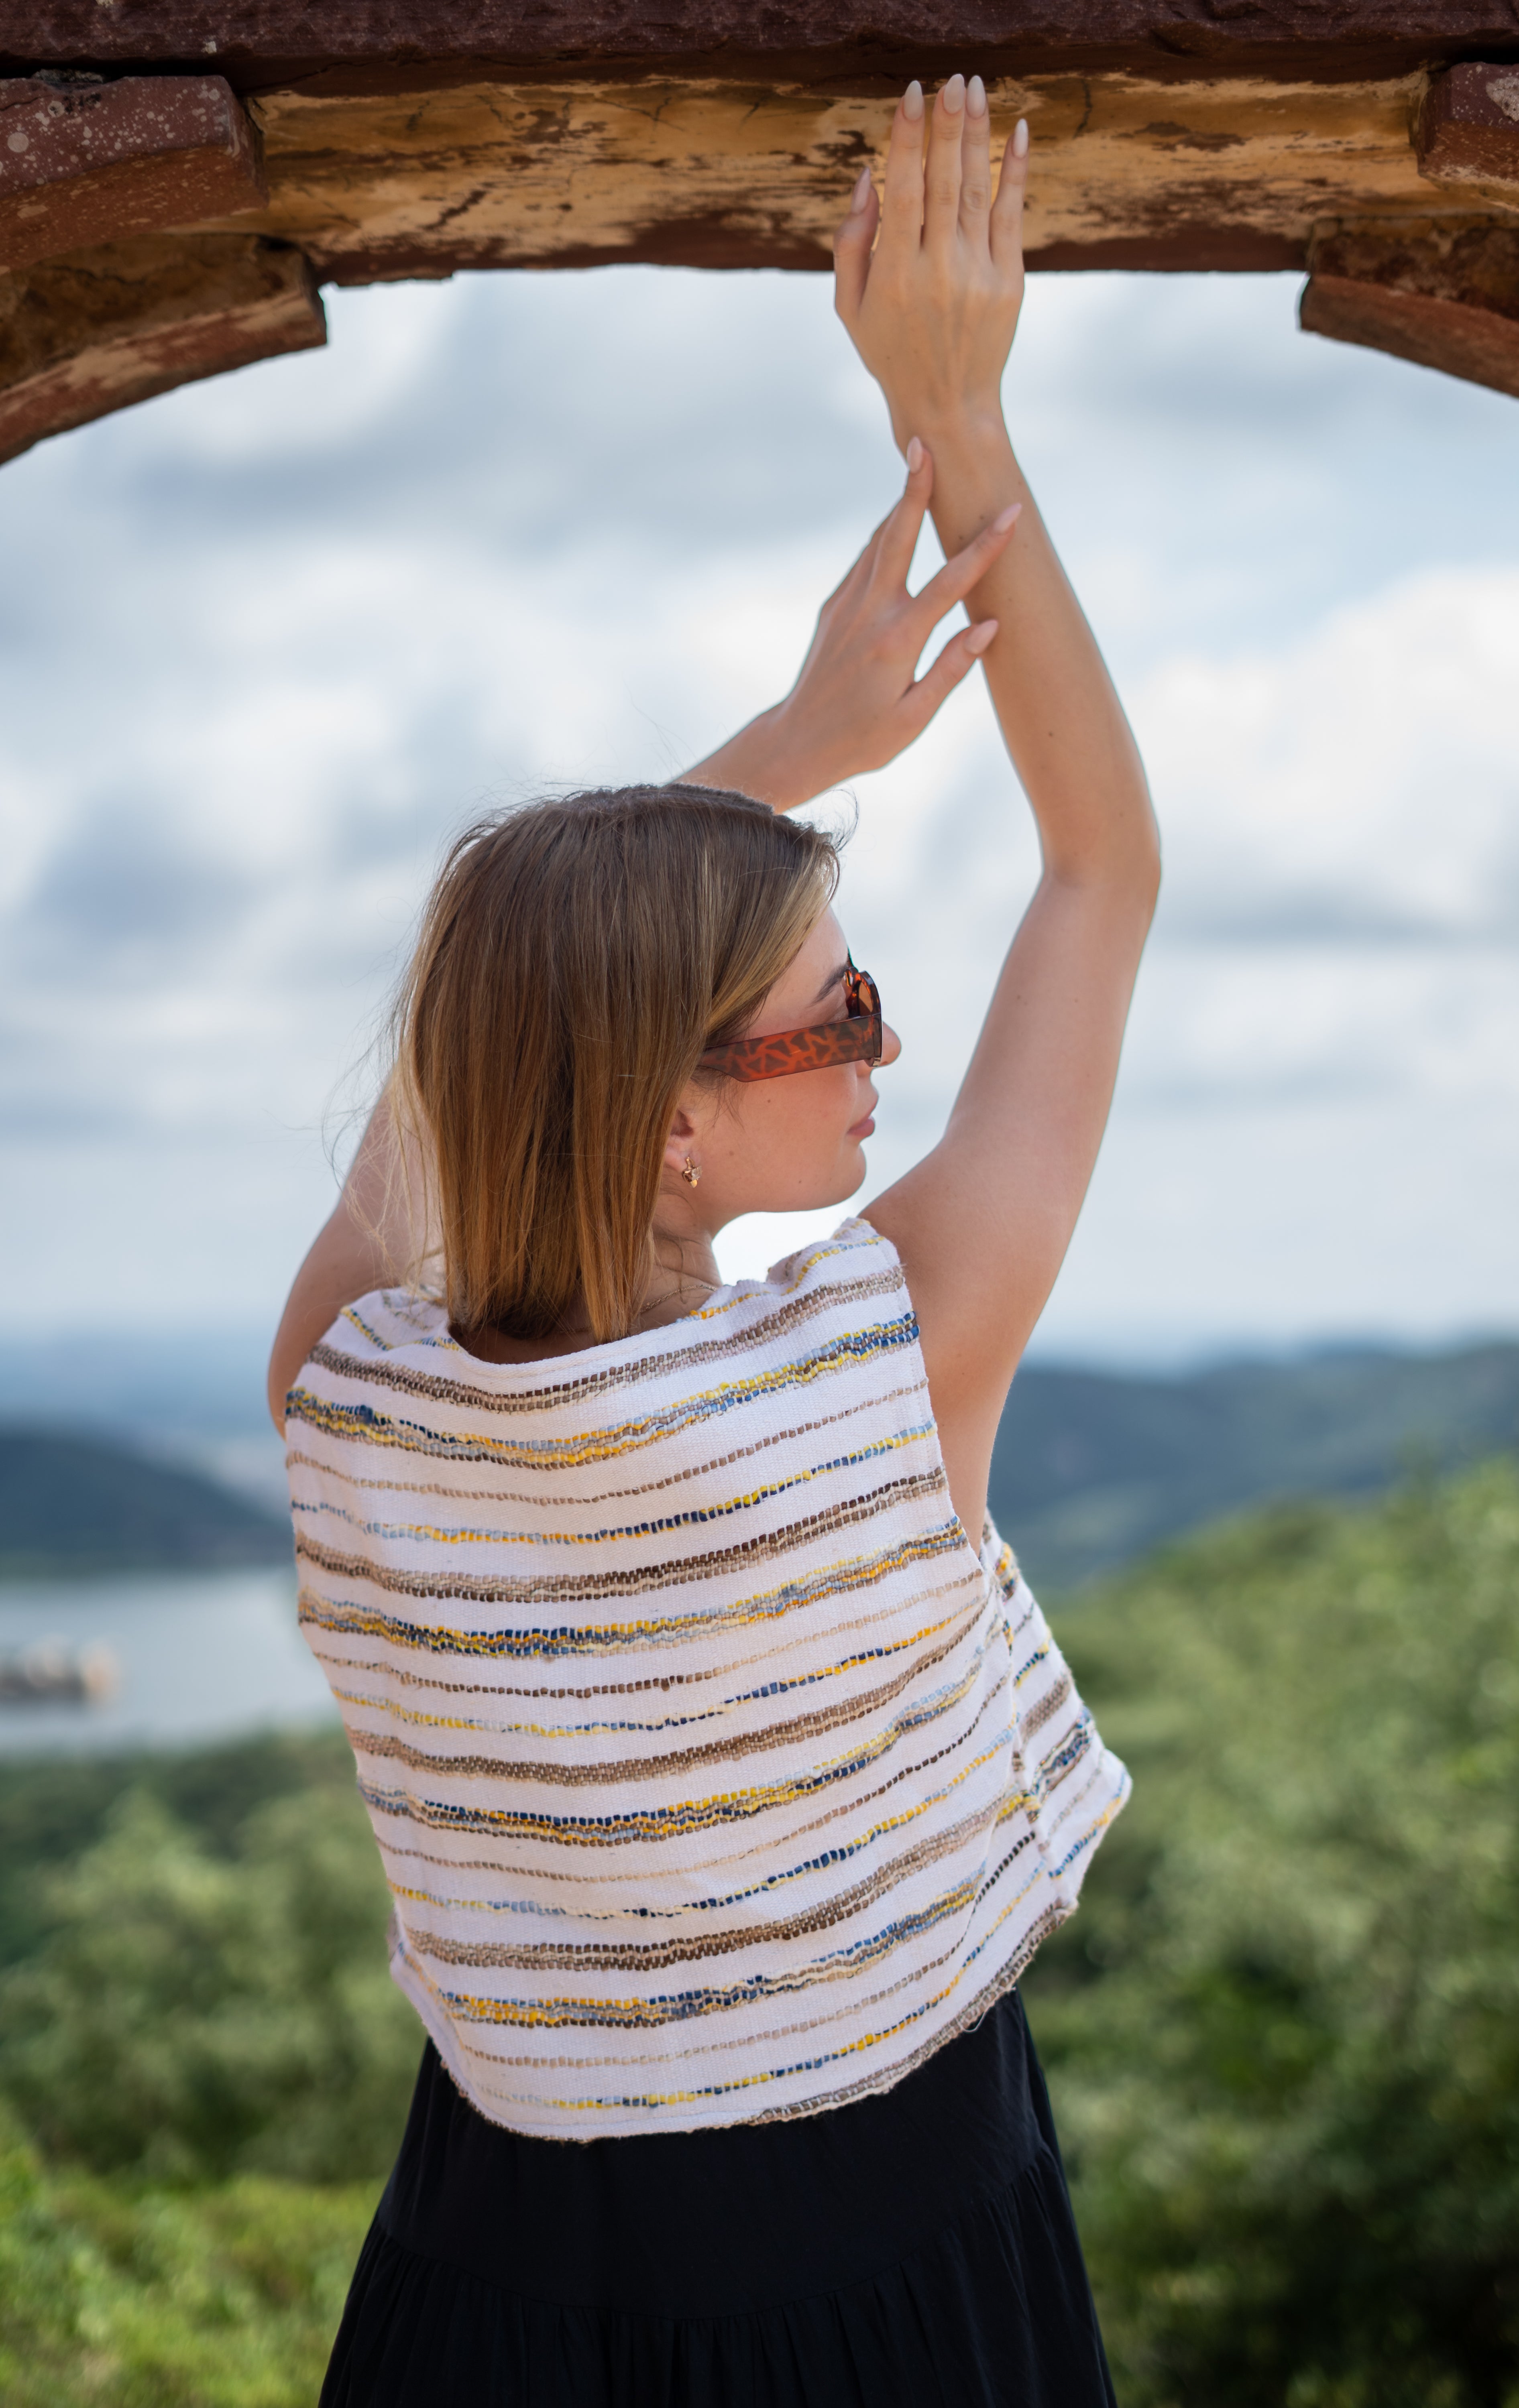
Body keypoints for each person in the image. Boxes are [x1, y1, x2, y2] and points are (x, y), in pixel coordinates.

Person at [269, 68, 1160, 2408]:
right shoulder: (883, 1373)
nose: (887, 1041)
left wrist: (772, 752)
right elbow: (1107, 869)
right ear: (666, 1131)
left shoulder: (346, 1401)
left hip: (486, 2262)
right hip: (884, 2258)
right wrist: (957, 415)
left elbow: (474, 1066)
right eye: (828, 1016)